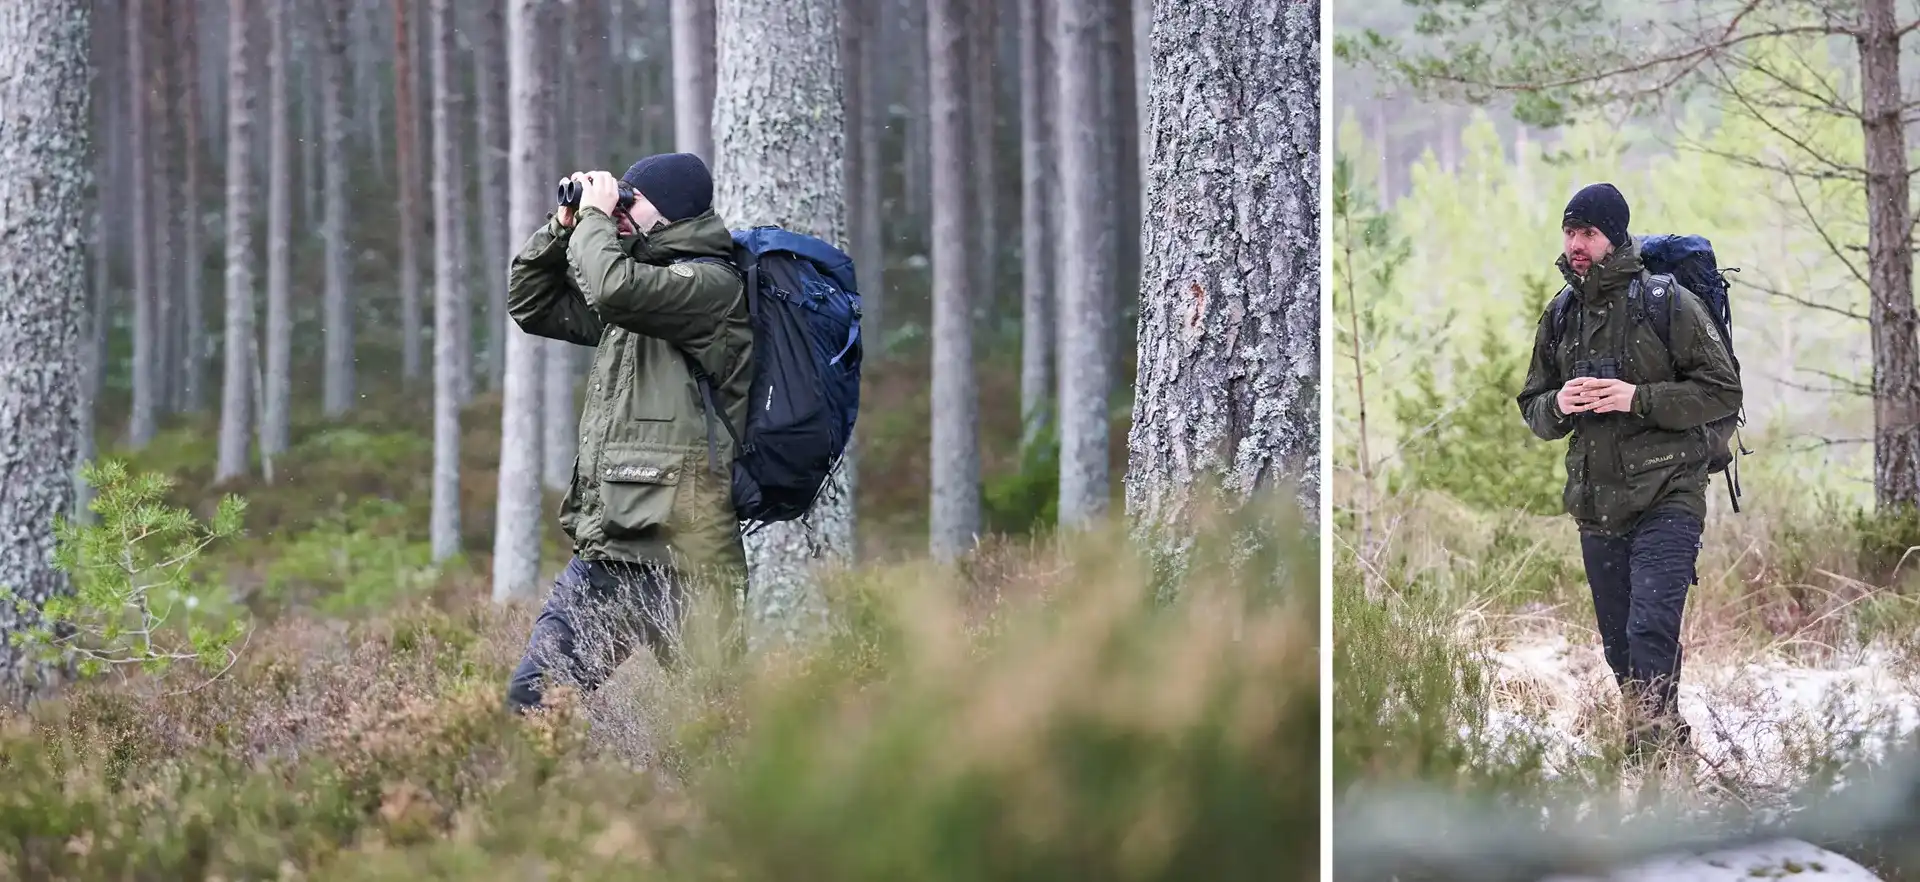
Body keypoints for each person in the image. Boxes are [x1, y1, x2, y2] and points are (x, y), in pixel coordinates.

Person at [501, 152, 752, 714]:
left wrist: (594, 218)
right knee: (532, 704)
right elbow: (531, 302)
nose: (617, 208)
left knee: (719, 727)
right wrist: (562, 226)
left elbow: (615, 288)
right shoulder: (638, 288)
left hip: (687, 558)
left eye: (630, 200)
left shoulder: (710, 286)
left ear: (671, 213)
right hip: (613, 548)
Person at [1515, 182, 1742, 759]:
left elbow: (1721, 391)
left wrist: (1634, 398)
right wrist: (1561, 404)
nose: (1575, 245)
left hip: (1671, 492)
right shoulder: (1562, 313)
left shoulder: (1665, 302)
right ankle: (1664, 744)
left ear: (1614, 237)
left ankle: (1652, 755)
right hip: (1597, 503)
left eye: (1587, 232)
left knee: (1649, 630)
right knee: (1619, 645)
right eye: (1569, 232)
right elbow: (1533, 408)